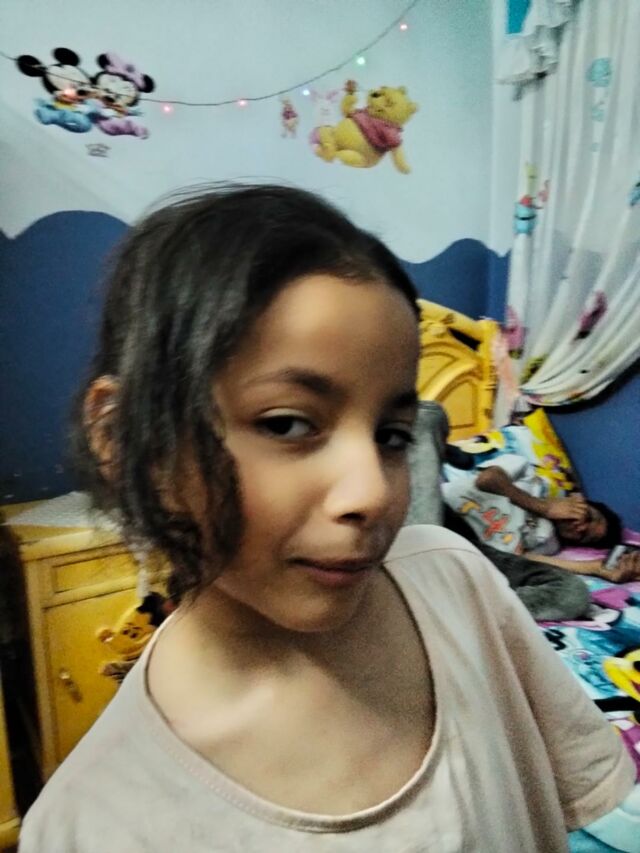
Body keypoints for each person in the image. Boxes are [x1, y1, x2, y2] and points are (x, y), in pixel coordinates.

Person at [19, 185, 634, 852]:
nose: (372, 493)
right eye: (287, 424)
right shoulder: (92, 825)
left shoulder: (459, 585)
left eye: (392, 436)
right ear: (123, 436)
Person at [442, 452, 640, 583]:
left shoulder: (550, 544)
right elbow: (487, 480)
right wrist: (543, 507)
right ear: (577, 499)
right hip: (442, 507)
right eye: (587, 517)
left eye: (584, 536)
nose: (580, 528)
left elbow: (522, 560)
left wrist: (593, 568)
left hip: (460, 545)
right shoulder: (531, 476)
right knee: (432, 421)